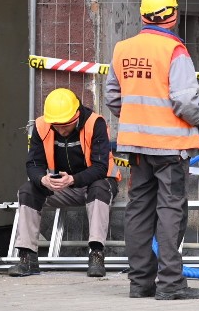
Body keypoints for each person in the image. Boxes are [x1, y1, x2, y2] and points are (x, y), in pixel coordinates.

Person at [105, 0, 199, 301]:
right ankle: (170, 283)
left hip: (135, 146)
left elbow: (112, 96)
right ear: (174, 15)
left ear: (142, 16)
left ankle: (140, 283)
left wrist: (138, 117)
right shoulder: (175, 50)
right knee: (170, 211)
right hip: (170, 147)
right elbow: (185, 101)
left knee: (138, 210)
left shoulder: (123, 48)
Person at [8, 88, 120, 278]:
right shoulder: (42, 125)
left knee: (99, 188)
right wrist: (42, 180)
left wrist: (74, 179)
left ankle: (96, 254)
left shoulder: (95, 123)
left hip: (94, 183)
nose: (60, 129)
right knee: (27, 190)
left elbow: (101, 167)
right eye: (56, 126)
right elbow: (33, 163)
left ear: (76, 116)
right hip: (61, 186)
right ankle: (27, 257)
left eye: (64, 125)